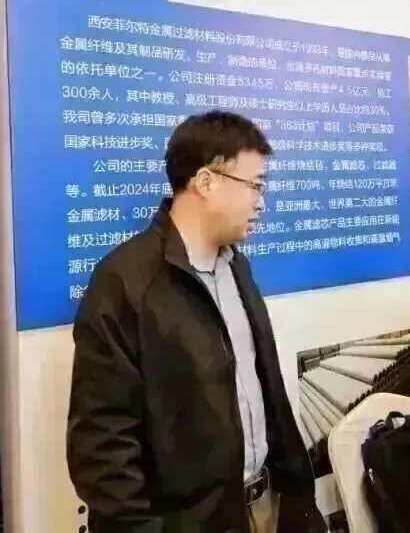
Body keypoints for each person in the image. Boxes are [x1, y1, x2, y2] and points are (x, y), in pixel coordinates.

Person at [67, 110, 325, 533]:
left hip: (264, 507)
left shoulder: (237, 268)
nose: (261, 201)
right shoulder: (125, 283)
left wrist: (295, 491)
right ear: (206, 182)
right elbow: (103, 446)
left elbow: (266, 391)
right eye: (255, 185)